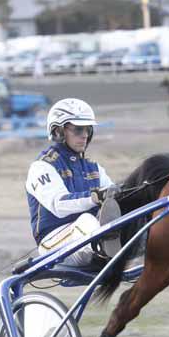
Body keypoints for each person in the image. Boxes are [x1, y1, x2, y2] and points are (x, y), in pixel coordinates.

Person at [26, 98, 120, 266]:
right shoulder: (42, 166)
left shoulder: (94, 167)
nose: (84, 135)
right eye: (78, 129)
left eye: (88, 129)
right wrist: (94, 197)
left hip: (86, 238)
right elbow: (59, 206)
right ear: (58, 132)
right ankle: (110, 255)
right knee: (87, 221)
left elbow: (113, 197)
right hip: (54, 244)